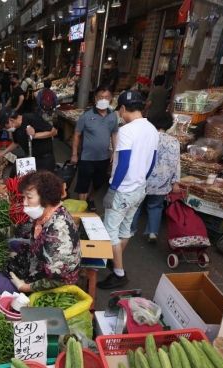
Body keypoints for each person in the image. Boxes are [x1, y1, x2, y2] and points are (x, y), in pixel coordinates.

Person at [0, 171, 80, 295]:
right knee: (12, 243)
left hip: (49, 283)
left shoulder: (57, 233)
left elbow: (59, 279)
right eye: (24, 197)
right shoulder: (45, 213)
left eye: (29, 197)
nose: (24, 202)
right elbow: (20, 229)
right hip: (37, 262)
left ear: (46, 198)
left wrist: (25, 287)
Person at [98, 90, 159, 290]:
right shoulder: (152, 130)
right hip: (140, 188)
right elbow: (152, 162)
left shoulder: (126, 130)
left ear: (123, 109)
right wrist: (142, 180)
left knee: (110, 231)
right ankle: (116, 260)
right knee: (125, 228)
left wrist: (112, 189)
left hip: (123, 189)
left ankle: (119, 273)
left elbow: (123, 164)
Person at [130, 112, 181, 242]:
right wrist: (176, 182)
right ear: (168, 125)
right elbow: (177, 163)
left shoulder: (147, 137)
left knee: (136, 205)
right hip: (163, 182)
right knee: (156, 206)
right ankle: (152, 232)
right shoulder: (174, 141)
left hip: (143, 178)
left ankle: (131, 229)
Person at [71, 86, 119, 210]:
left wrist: (115, 151)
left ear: (111, 99)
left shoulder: (113, 116)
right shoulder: (86, 116)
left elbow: (114, 134)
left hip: (103, 157)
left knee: (99, 183)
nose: (104, 100)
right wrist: (74, 154)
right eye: (101, 97)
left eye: (107, 97)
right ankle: (82, 208)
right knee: (83, 184)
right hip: (86, 157)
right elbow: (77, 135)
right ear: (95, 98)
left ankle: (91, 198)